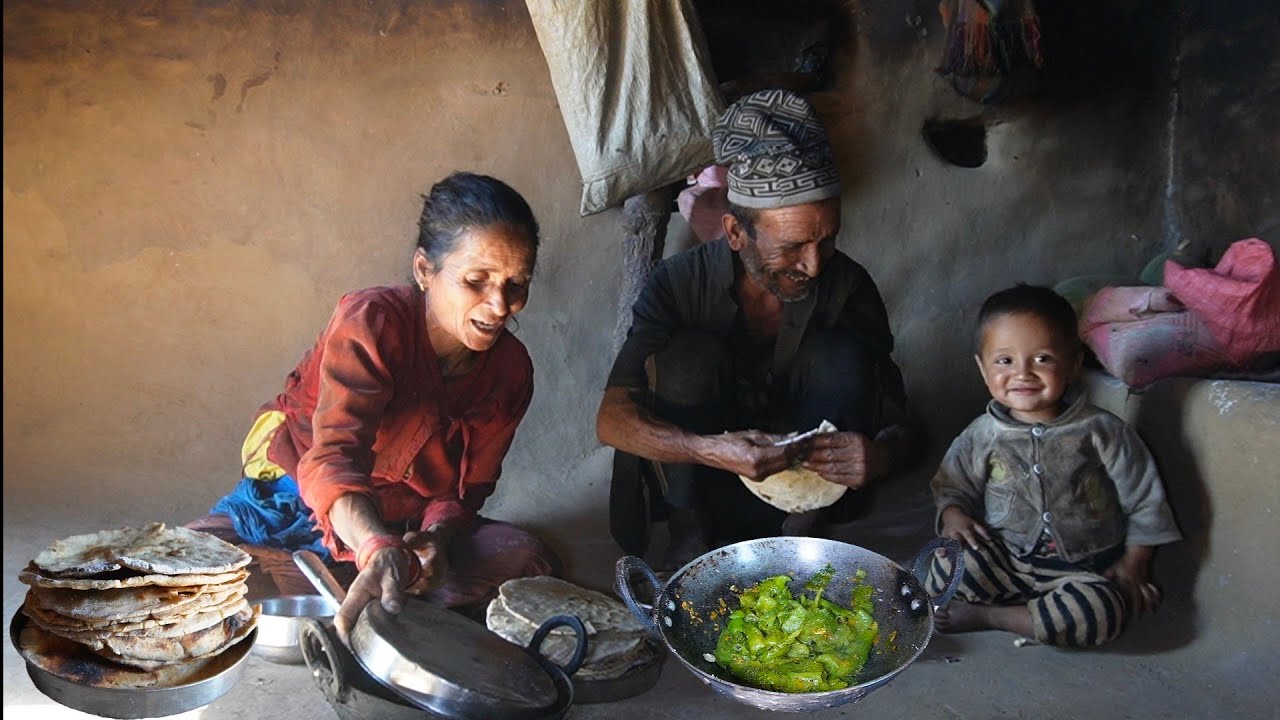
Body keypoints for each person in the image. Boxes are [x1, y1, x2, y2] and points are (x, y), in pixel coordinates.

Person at [188, 171, 557, 639]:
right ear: (424, 270)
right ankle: (342, 576)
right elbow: (334, 458)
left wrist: (434, 541)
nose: (500, 306)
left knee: (525, 557)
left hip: (401, 524)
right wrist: (375, 545)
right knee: (181, 571)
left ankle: (352, 584)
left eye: (516, 284)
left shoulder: (510, 371)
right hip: (301, 505)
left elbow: (466, 492)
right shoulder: (373, 321)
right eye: (476, 281)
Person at [596, 89, 912, 570]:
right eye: (792, 247)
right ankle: (689, 530)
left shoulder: (848, 286)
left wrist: (880, 455)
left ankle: (802, 534)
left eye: (827, 241)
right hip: (706, 487)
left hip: (811, 499)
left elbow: (905, 425)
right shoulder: (679, 284)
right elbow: (611, 420)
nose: (813, 265)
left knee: (841, 354)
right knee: (689, 356)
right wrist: (707, 450)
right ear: (735, 232)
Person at [926, 284, 1182, 647]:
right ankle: (1035, 615)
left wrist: (1135, 564)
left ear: (1074, 364)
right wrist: (953, 517)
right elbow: (952, 486)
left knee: (1101, 612)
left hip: (1083, 570)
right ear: (983, 368)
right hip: (1008, 561)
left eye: (1042, 358)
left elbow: (1145, 499)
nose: (1023, 373)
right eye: (1005, 361)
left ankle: (992, 616)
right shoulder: (980, 434)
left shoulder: (1102, 431)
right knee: (946, 562)